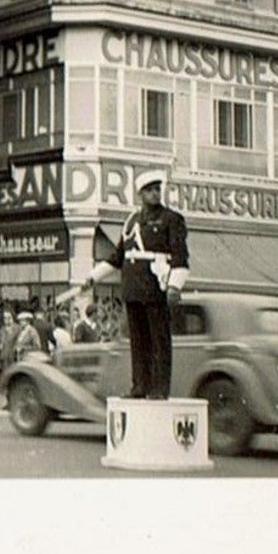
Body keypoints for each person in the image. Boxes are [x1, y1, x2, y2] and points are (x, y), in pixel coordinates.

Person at [80, 170, 189, 399]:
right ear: (140, 194)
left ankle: (159, 388)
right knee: (138, 341)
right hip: (132, 288)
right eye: (149, 190)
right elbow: (118, 257)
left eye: (157, 189)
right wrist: (93, 277)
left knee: (159, 340)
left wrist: (175, 286)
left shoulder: (172, 219)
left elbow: (180, 256)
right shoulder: (131, 221)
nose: (155, 194)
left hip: (154, 286)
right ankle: (139, 386)